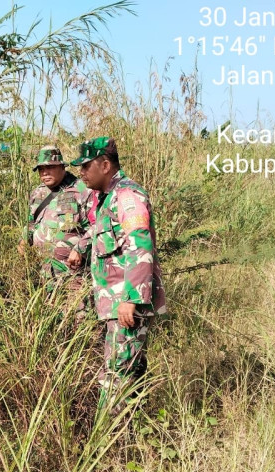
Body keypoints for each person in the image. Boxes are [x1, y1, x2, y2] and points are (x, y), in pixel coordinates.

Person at [67, 137, 166, 416]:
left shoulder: (127, 196)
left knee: (115, 374)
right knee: (129, 370)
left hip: (125, 305)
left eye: (86, 166)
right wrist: (81, 247)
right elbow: (103, 233)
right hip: (114, 304)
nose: (82, 172)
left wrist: (131, 299)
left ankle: (108, 445)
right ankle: (137, 431)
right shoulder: (106, 199)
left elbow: (140, 245)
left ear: (106, 165)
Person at [19, 145, 89, 322]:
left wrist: (80, 248)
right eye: (41, 169)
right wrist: (24, 240)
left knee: (77, 317)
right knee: (50, 318)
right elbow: (31, 222)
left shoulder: (81, 190)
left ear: (62, 167)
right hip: (44, 272)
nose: (45, 173)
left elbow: (95, 226)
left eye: (50, 167)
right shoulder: (38, 193)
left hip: (72, 273)